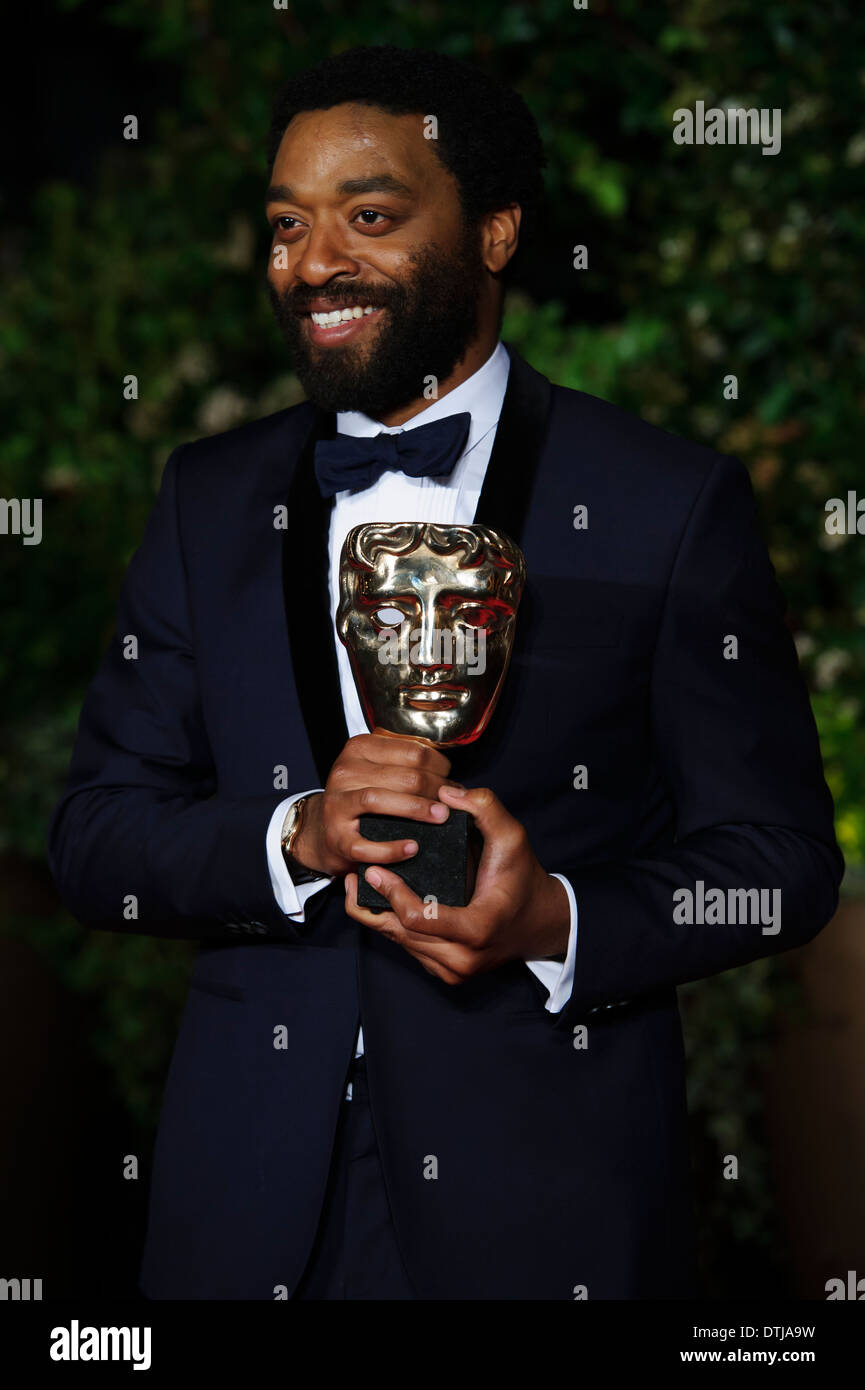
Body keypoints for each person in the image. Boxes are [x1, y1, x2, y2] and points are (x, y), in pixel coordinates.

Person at [47, 44, 843, 1300]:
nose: (311, 263)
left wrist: (556, 919)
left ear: (494, 231)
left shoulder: (664, 500)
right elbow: (94, 837)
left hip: (549, 1216)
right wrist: (297, 835)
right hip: (243, 1214)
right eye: (285, 225)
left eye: (368, 216)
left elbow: (781, 868)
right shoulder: (208, 501)